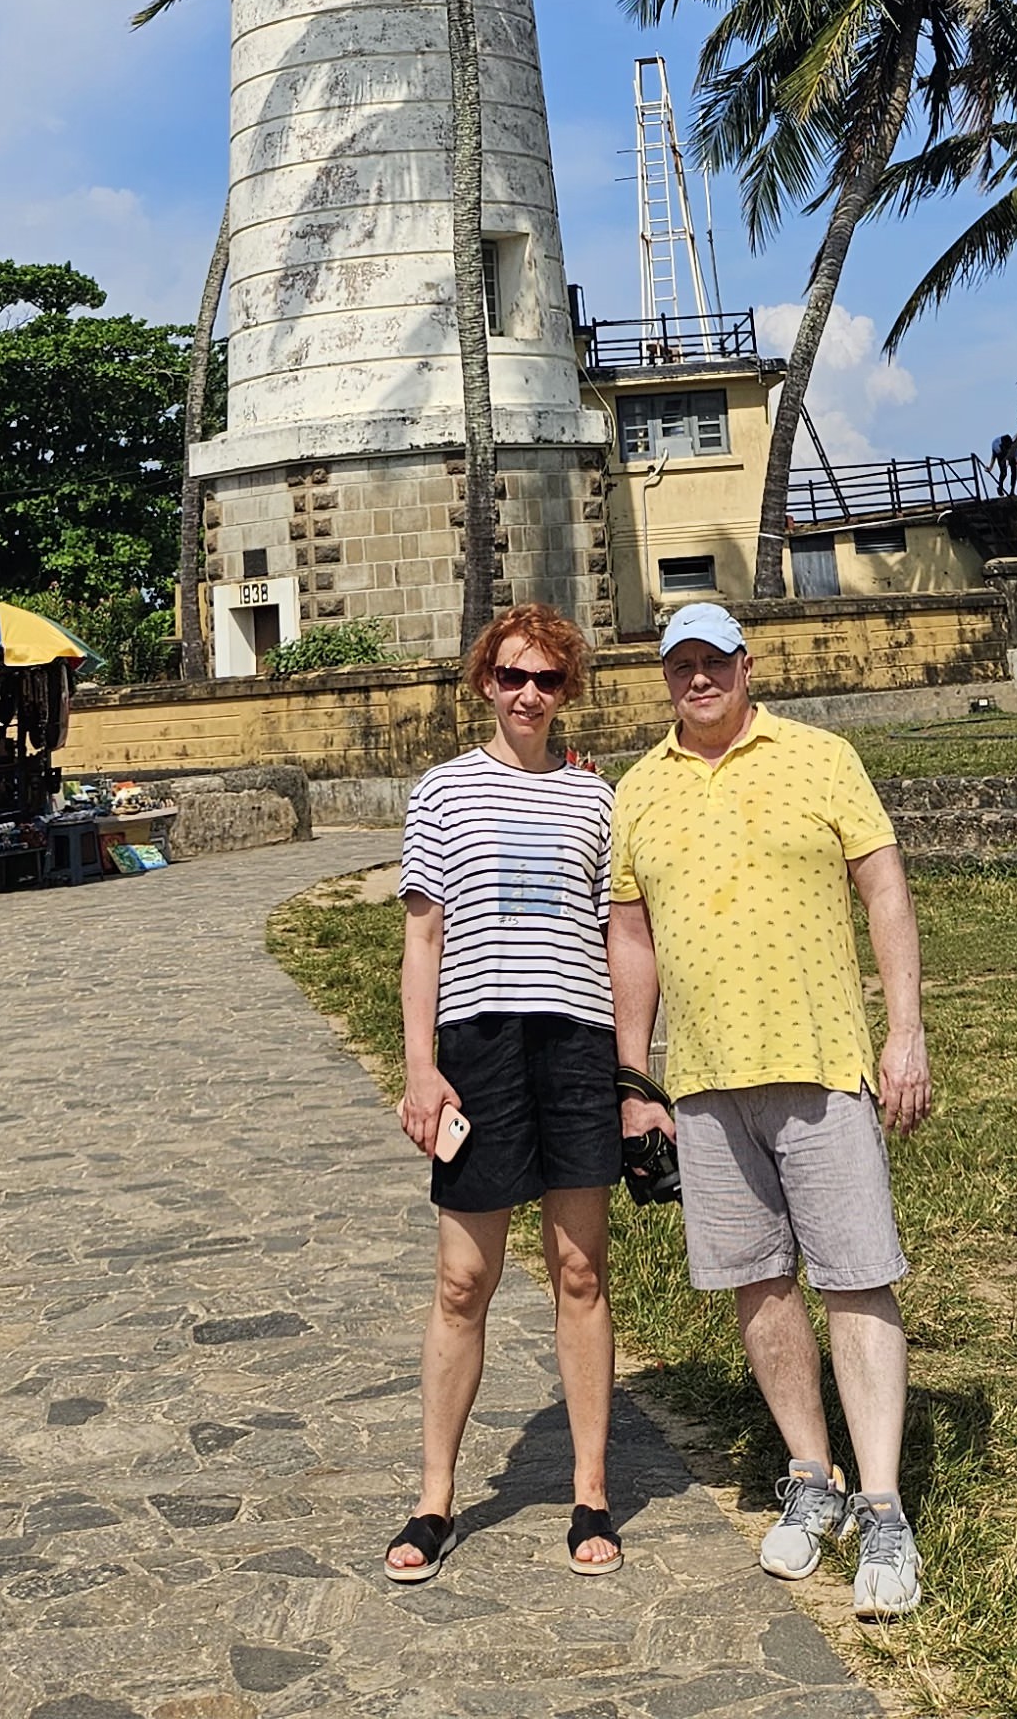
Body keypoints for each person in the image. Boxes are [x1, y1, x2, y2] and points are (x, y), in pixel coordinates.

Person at [609, 602, 930, 1621]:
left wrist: (904, 1031)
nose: (697, 678)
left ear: (748, 665)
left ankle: (882, 1500)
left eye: (714, 661)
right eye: (680, 665)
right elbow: (633, 940)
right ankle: (811, 1474)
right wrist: (634, 1080)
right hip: (703, 1081)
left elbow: (884, 892)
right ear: (666, 678)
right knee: (756, 1281)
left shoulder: (821, 757)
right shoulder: (639, 788)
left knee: (857, 1272)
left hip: (822, 1059)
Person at [389, 603, 625, 1582]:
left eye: (549, 680)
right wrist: (419, 1066)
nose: (530, 694)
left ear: (568, 691)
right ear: (484, 681)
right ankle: (435, 1498)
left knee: (580, 1271)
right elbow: (422, 939)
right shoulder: (442, 793)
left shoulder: (597, 800)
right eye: (513, 676)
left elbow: (620, 937)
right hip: (477, 1044)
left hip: (576, 1036)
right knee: (462, 1280)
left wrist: (637, 1063)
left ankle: (591, 1490)